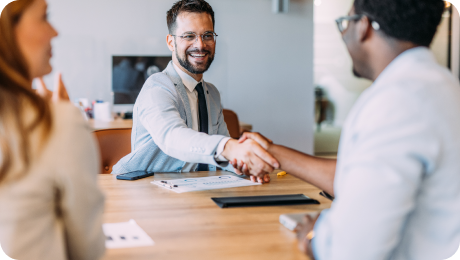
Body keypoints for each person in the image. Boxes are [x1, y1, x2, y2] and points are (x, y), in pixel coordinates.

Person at [234, 0, 460, 259]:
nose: (344, 35)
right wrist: (272, 152)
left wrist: (314, 237)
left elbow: (349, 249)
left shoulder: (395, 102)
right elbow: (359, 176)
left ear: (363, 27)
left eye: (345, 23)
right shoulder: (444, 87)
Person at [112, 0, 279, 183]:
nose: (200, 44)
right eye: (189, 36)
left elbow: (222, 154)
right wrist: (228, 147)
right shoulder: (157, 87)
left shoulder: (211, 93)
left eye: (207, 35)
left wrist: (245, 166)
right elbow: (172, 137)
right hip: (147, 192)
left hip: (197, 188)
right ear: (171, 42)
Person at [0, 0, 105, 259]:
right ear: (7, 29)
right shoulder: (59, 122)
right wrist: (64, 122)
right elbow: (87, 249)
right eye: (44, 17)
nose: (55, 32)